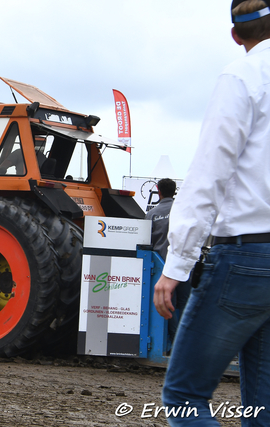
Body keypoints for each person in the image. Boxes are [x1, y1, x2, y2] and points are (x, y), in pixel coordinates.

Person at [154, 1, 270, 425]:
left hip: (245, 257)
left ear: (236, 36)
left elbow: (209, 174)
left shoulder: (242, 76)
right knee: (262, 405)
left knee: (184, 395)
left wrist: (176, 265)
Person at [147, 178, 190, 341]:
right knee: (185, 304)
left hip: (162, 267)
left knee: (168, 304)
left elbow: (146, 242)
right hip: (183, 265)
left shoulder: (152, 214)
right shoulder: (183, 211)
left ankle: (174, 340)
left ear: (158, 191)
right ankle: (186, 339)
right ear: (175, 191)